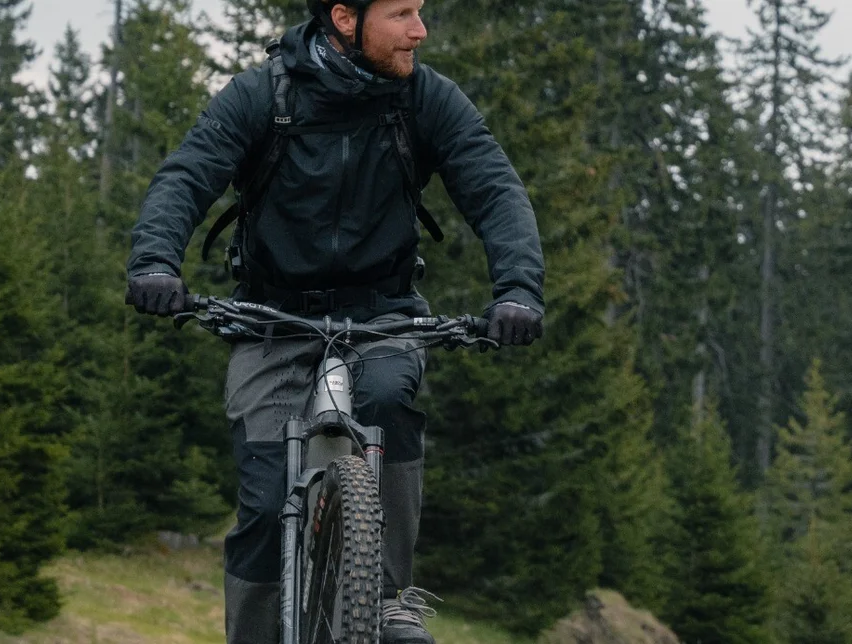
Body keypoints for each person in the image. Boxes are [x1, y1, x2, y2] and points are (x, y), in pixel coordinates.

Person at [124, 0, 545, 641]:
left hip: (382, 313)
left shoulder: (424, 99)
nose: (420, 31)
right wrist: (155, 263)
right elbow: (186, 175)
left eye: (420, 12)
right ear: (345, 19)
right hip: (273, 318)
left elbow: (494, 187)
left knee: (387, 401)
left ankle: (388, 599)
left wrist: (517, 290)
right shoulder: (262, 95)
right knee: (267, 504)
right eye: (402, 13)